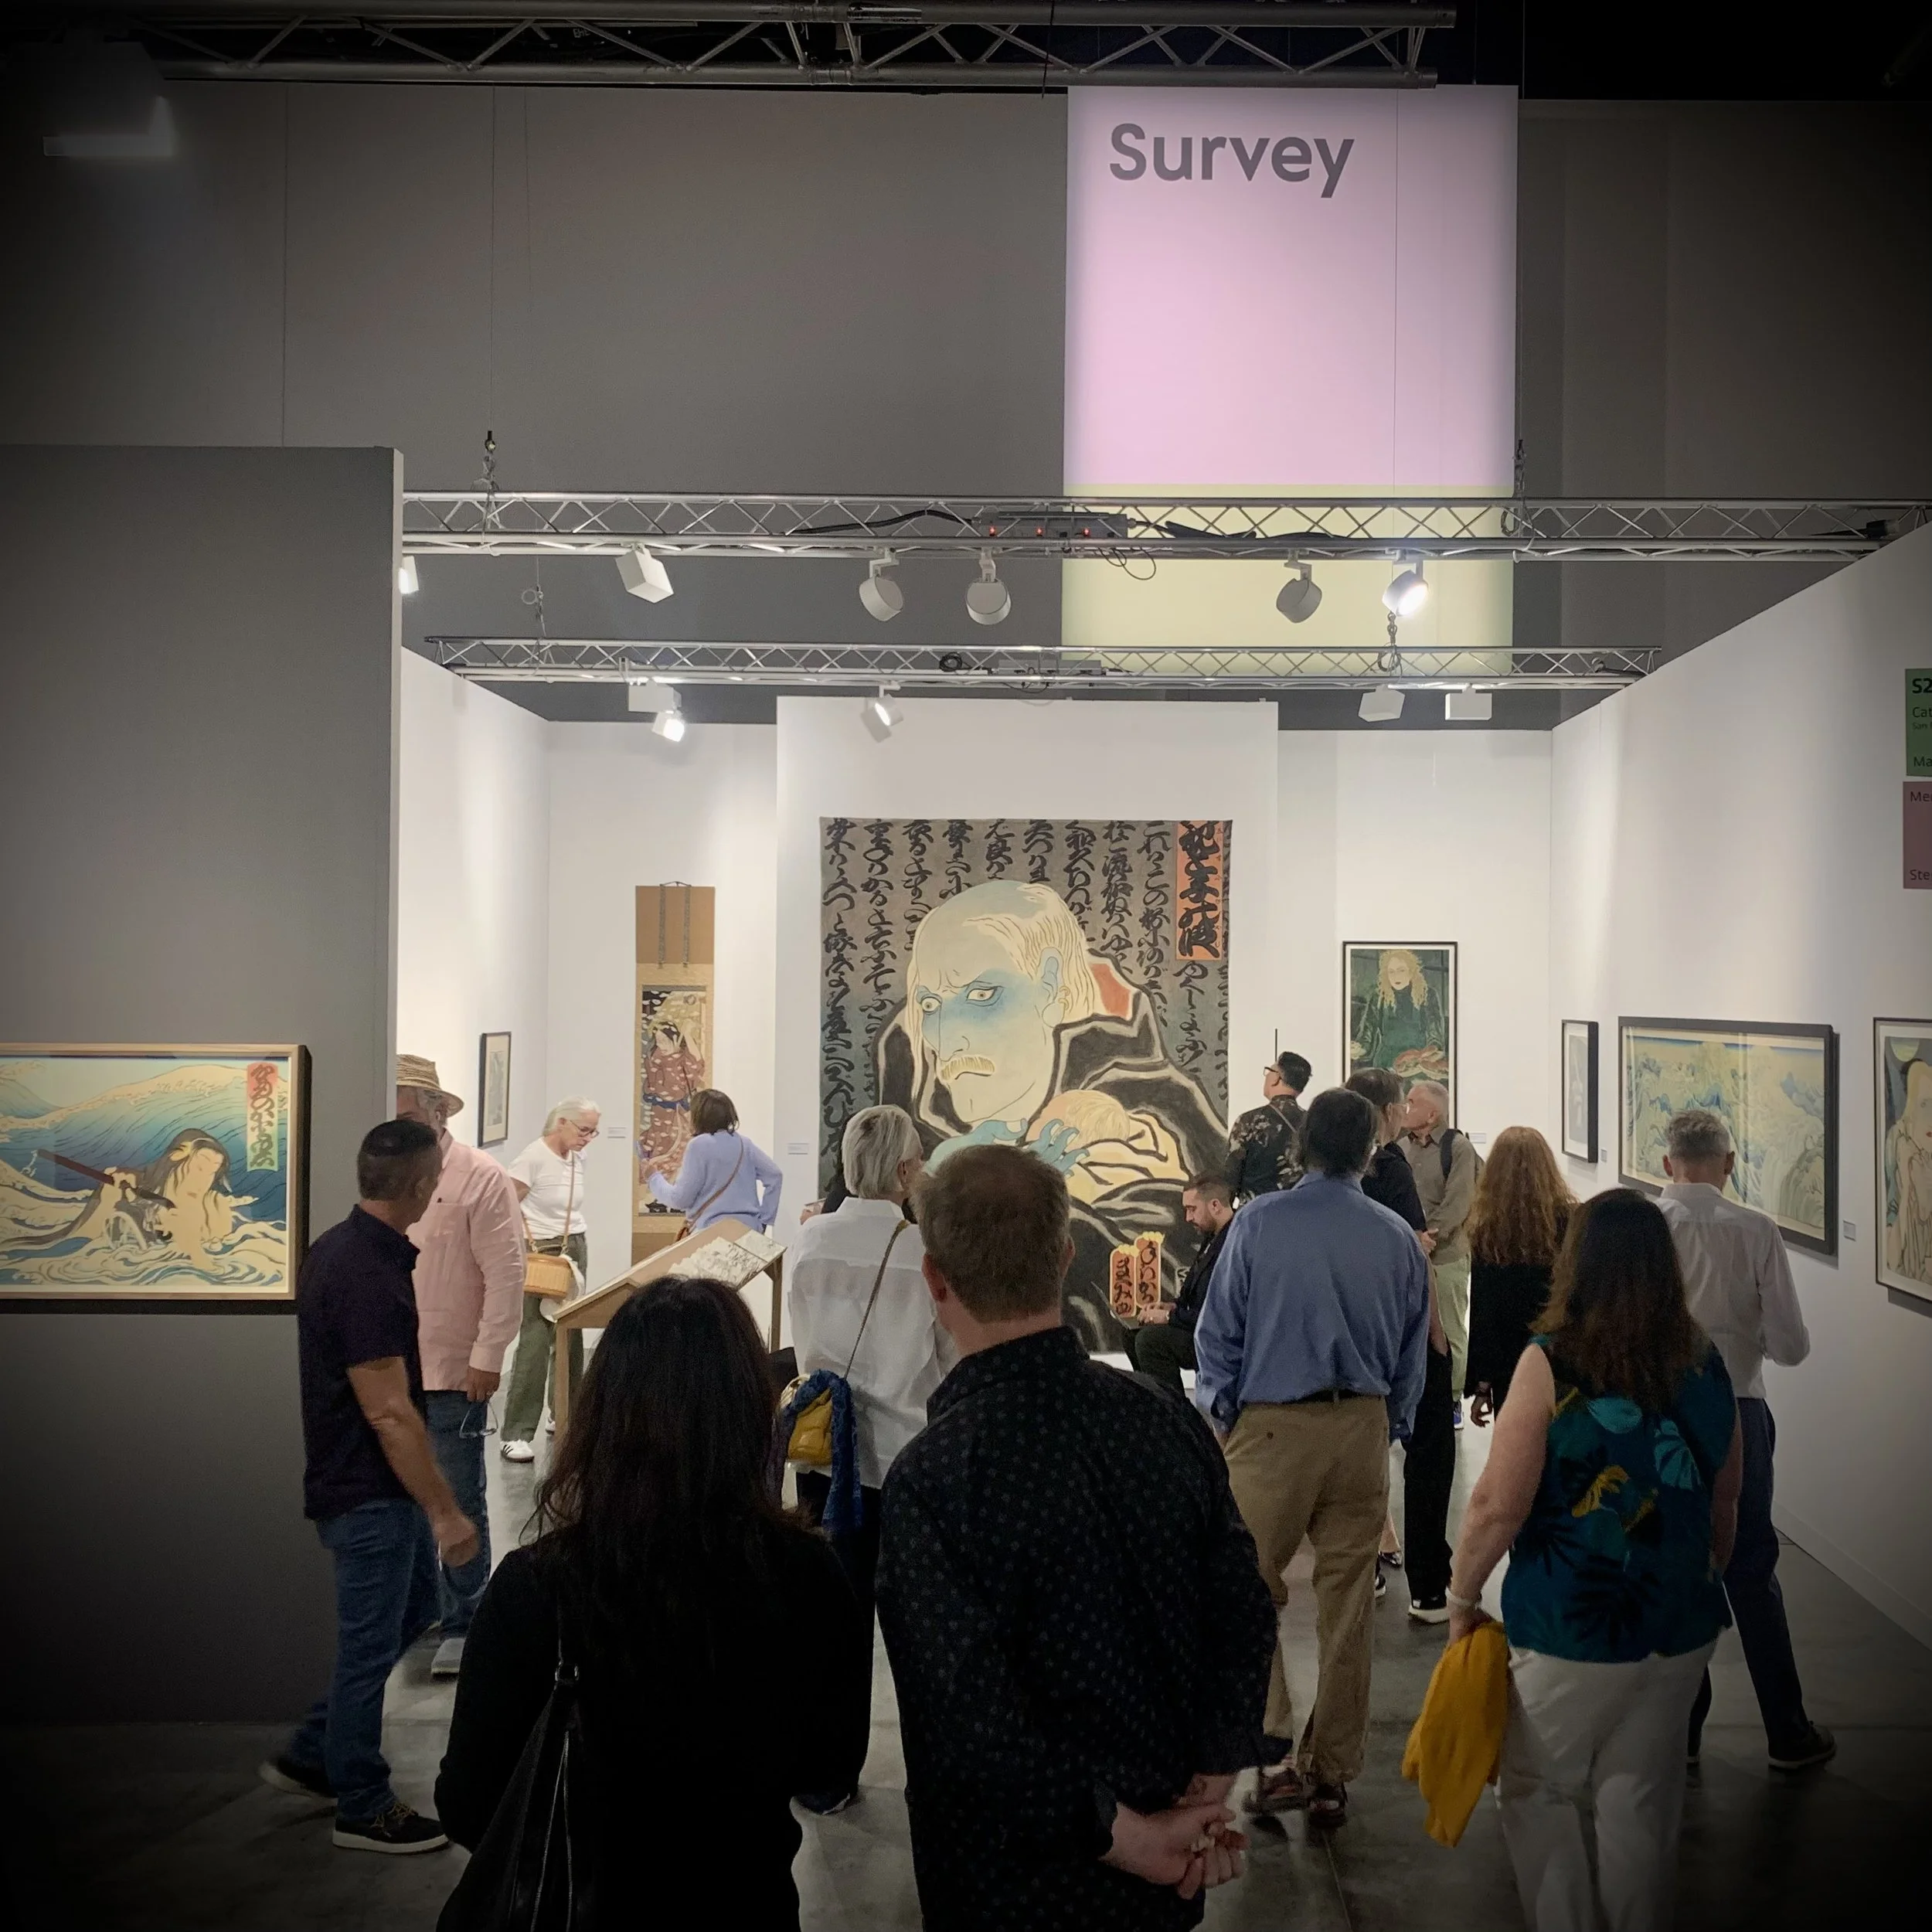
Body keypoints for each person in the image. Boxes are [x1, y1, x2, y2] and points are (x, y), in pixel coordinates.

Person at [877, 1145, 1276, 1930]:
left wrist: (1129, 1838)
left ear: (934, 1278)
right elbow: (1242, 1608)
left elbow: (970, 1717)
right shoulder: (1163, 1418)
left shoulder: (932, 1478)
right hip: (1167, 1857)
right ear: (1065, 1257)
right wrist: (1206, 1784)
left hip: (1009, 1881)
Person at [435, 1277, 872, 1927]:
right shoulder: (808, 1575)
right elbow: (829, 1763)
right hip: (744, 1902)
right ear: (750, 1412)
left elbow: (468, 1803)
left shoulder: (535, 1587)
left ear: (602, 1413)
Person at [1445, 1189, 1741, 1932]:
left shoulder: (1551, 1363)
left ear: (1574, 1264)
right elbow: (1727, 1494)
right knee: (1641, 1800)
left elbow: (1497, 1505)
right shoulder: (1704, 1362)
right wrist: (1701, 1571)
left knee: (1538, 1789)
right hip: (1680, 1622)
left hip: (1571, 1623)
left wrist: (1461, 1597)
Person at [1196, 1087, 1430, 1826]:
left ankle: (1272, 1759)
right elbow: (1413, 1354)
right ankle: (1330, 1772)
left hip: (1272, 1427)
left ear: (1302, 1148)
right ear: (1370, 1151)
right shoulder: (1397, 1236)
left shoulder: (1259, 1221)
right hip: (1361, 1426)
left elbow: (1217, 1331)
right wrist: (1388, 1424)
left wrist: (1226, 1414)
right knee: (1349, 1605)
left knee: (1246, 1589)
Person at [876, 878, 1226, 1349]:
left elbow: (1154, 1270)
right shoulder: (917, 1126)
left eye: (981, 996)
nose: (945, 1035)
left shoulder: (1144, 1117)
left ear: (1050, 986)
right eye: (931, 1005)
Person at [257, 1118, 478, 1855]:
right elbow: (388, 1411)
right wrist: (445, 1512)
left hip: (366, 1486)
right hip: (368, 1491)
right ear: (420, 1185)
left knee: (413, 1610)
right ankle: (362, 1801)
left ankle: (313, 1753)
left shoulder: (343, 1249)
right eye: (435, 1177)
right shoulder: (366, 1274)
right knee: (367, 1647)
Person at [785, 1104, 954, 1812]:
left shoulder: (808, 1240)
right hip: (905, 1461)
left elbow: (800, 1339)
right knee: (922, 1633)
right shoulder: (923, 1253)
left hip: (825, 1453)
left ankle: (828, 1778)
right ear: (907, 1170)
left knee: (831, 1626)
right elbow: (946, 1360)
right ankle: (937, 1781)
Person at [1659, 1109, 1834, 1772]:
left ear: (1668, 1161)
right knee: (1752, 1567)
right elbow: (1791, 1346)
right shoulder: (1756, 1230)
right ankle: (1787, 1731)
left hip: (1665, 1413)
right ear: (1729, 1163)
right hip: (1738, 1408)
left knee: (1674, 1562)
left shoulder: (1648, 1225)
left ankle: (1682, 1731)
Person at [393, 1056, 525, 1679]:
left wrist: (488, 1357)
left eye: (405, 1110)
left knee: (457, 1493)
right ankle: (417, 1611)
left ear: (437, 1111)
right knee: (397, 1499)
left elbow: (507, 1273)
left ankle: (465, 1621)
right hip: (389, 1367)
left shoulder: (480, 1176)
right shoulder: (386, 1175)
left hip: (452, 1368)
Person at [1349, 1067, 1451, 1621]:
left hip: (1349, 1329)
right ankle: (1429, 1584)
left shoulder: (1319, 1175)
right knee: (1427, 1449)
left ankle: (1364, 1567)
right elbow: (1415, 1253)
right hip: (1400, 1325)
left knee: (1361, 1449)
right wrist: (1436, 1334)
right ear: (1389, 1112)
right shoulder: (1390, 1167)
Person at [499, 1097, 600, 1464]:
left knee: (571, 1332)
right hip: (540, 1250)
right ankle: (516, 1432)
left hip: (574, 1245)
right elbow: (506, 1206)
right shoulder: (532, 1158)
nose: (588, 1138)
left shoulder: (576, 1158)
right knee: (536, 1337)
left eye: (594, 1132)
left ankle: (566, 1414)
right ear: (561, 1123)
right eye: (584, 1130)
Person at [1465, 1127, 1575, 1423]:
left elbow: (1484, 1312)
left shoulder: (1487, 1231)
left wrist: (1482, 1384)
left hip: (1509, 1364)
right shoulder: (1570, 1222)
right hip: (1558, 1354)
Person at [1400, 1079, 1479, 1422]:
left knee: (1448, 1330)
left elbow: (1459, 1202)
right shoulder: (1399, 1147)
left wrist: (1427, 1236)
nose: (1405, 1107)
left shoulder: (1458, 1148)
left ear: (1432, 1114)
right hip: (1407, 1254)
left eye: (1412, 1102)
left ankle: (1452, 1399)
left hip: (1445, 1256)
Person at [1124, 1172, 1233, 1396]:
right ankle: (1154, 1403)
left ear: (1215, 1206)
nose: (1188, 1217)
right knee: (1132, 1335)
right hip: (1198, 1327)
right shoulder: (1211, 1239)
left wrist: (1169, 1317)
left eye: (1192, 1209)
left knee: (1150, 1341)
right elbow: (1191, 1296)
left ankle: (1173, 1410)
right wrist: (1171, 1307)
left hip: (1220, 1338)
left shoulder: (1234, 1243)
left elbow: (1221, 1314)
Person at [645, 1087, 781, 1232]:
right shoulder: (744, 1144)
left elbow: (680, 1199)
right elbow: (775, 1175)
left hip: (711, 1231)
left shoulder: (699, 1145)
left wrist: (653, 1178)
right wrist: (765, 1220)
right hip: (747, 1229)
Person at [1224, 1051, 1311, 1202]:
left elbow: (1231, 1177)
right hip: (1300, 1208)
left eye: (1269, 1071)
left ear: (1276, 1078)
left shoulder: (1250, 1121)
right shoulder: (1312, 1123)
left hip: (1256, 1210)